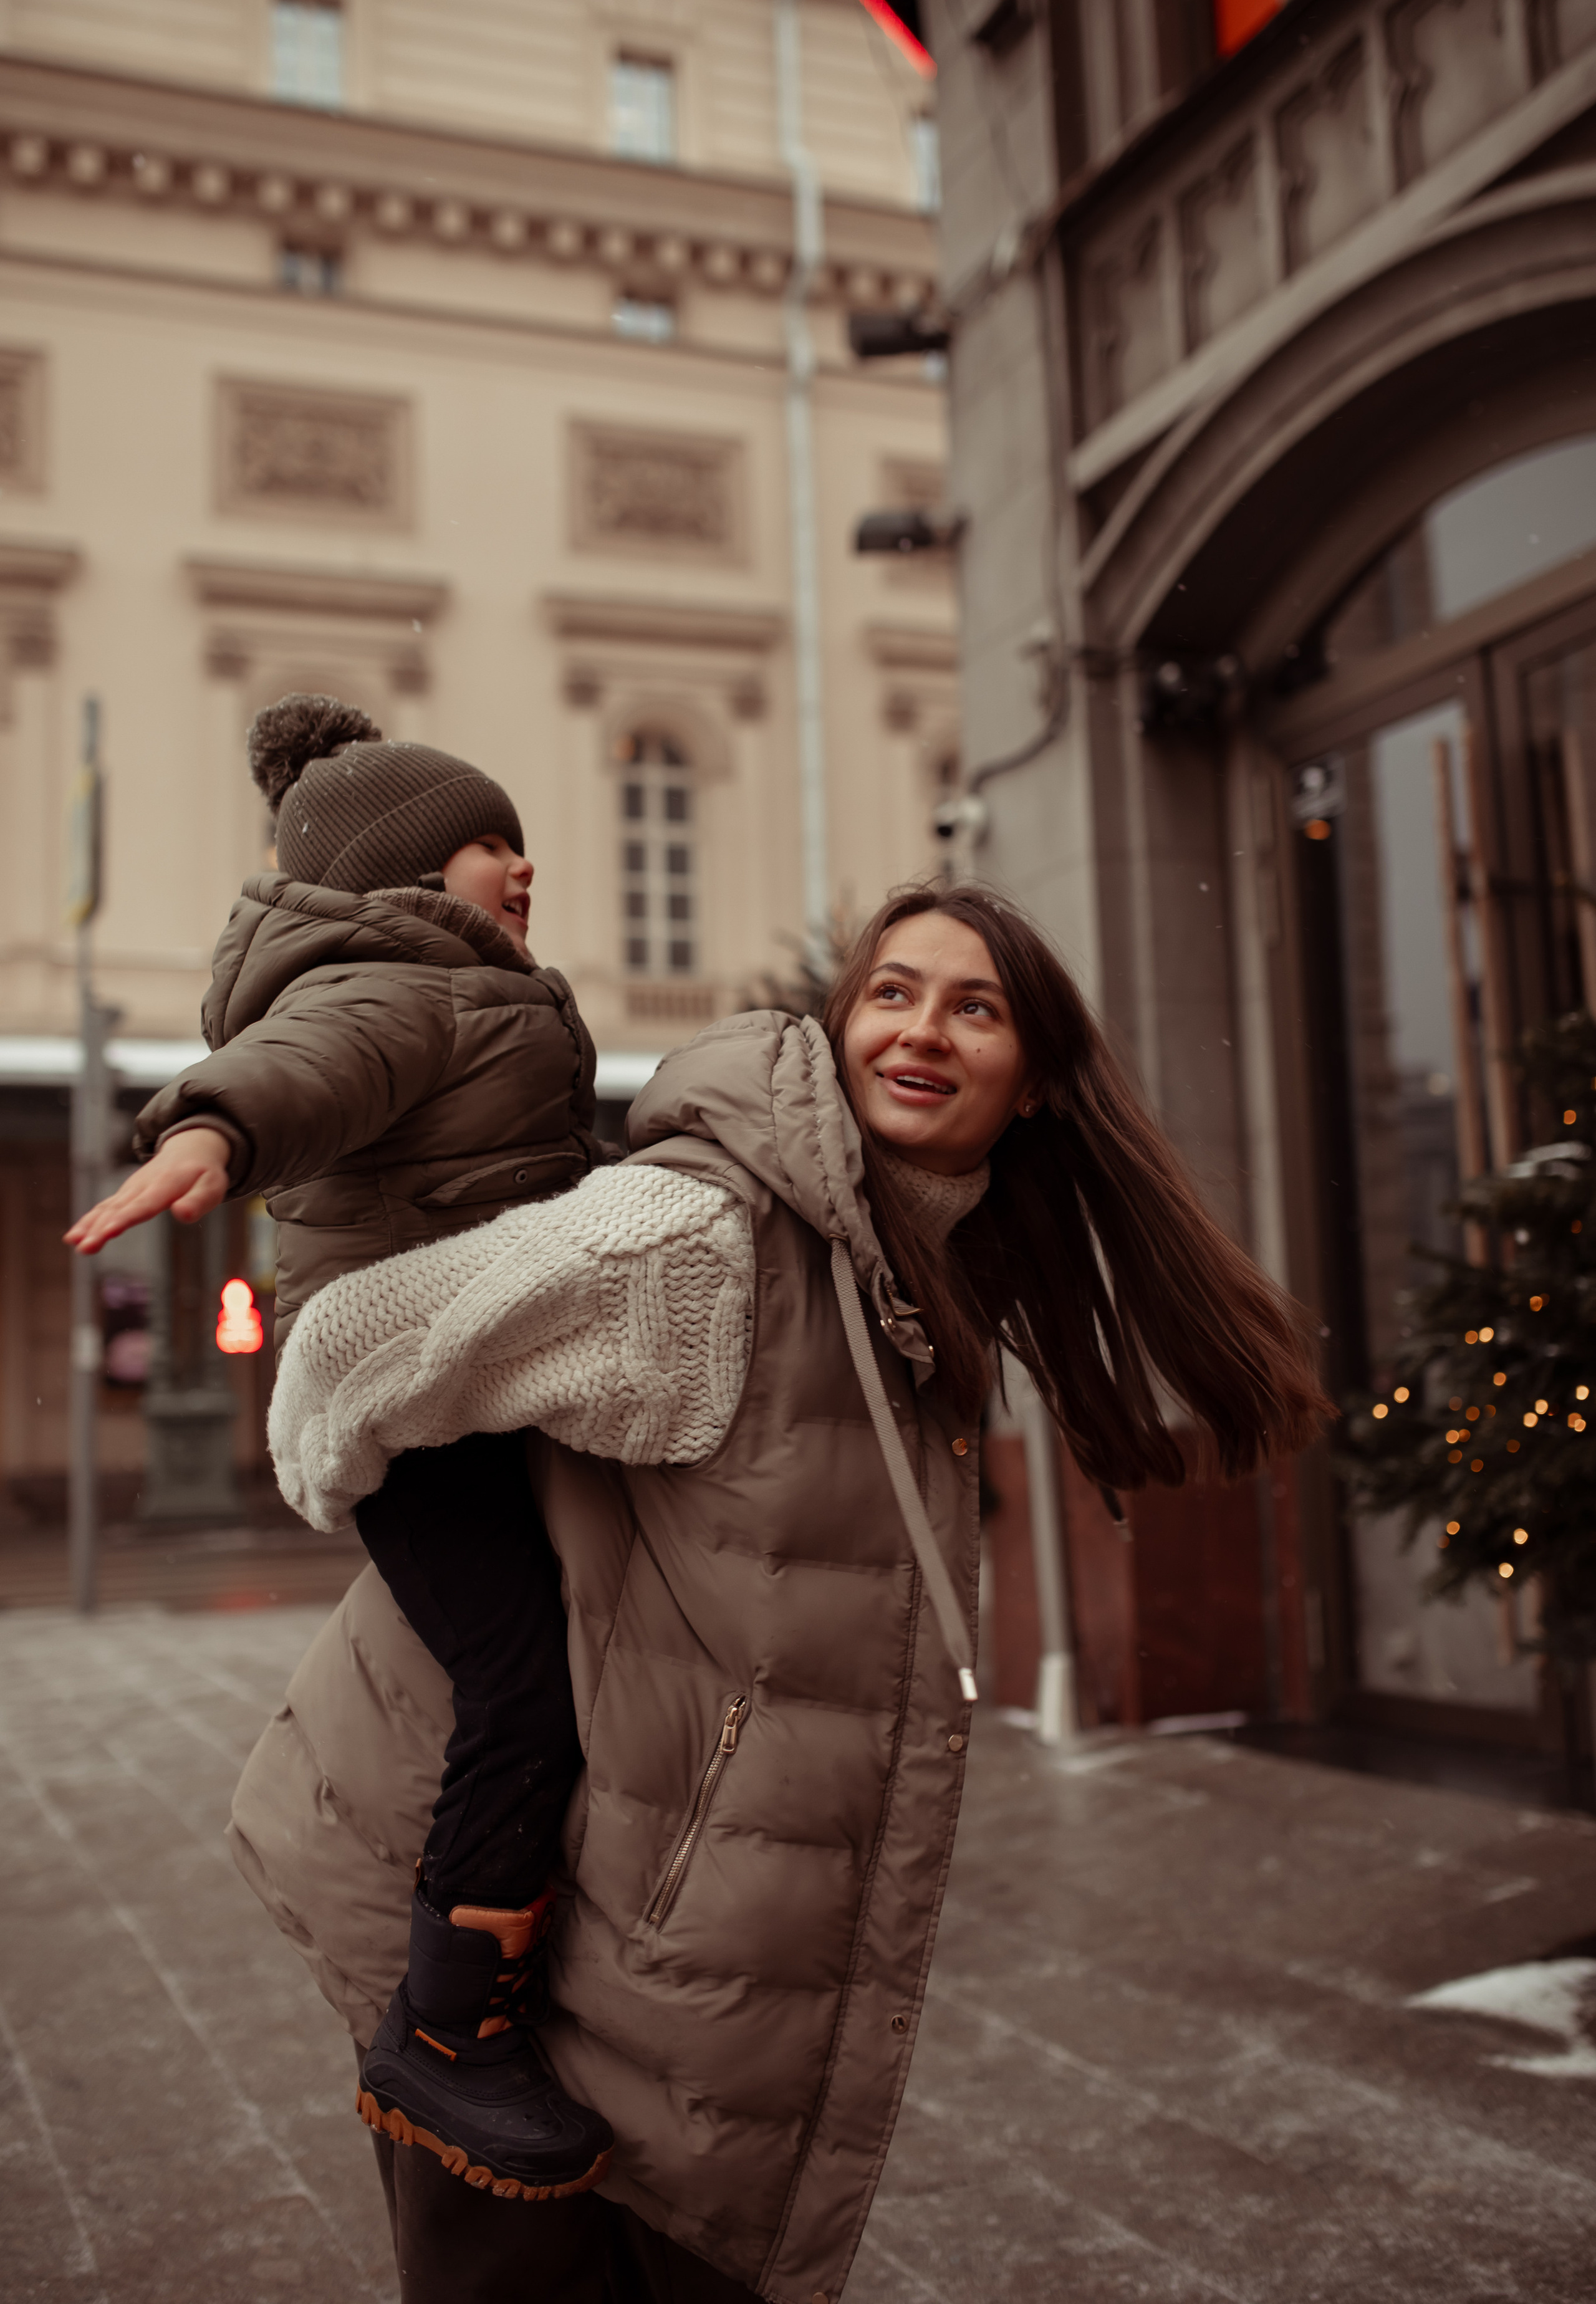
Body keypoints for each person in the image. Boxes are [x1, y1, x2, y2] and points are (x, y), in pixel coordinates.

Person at [237, 881, 1331, 2303]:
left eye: (972, 1006)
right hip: (526, 1942)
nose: (919, 1030)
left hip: (664, 1945)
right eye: (890, 992)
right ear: (839, 1024)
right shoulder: (704, 1244)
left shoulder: (905, 1272)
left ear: (1039, 1082)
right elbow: (343, 1358)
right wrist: (446, 1558)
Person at [65, 694, 616, 2199]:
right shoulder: (396, 980)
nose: (520, 867)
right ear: (401, 875)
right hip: (411, 1393)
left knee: (529, 1660)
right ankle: (445, 2038)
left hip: (474, 1370)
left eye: (522, 842)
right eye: (486, 844)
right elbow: (310, 1066)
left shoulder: (464, 981)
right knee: (526, 1688)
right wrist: (210, 1133)